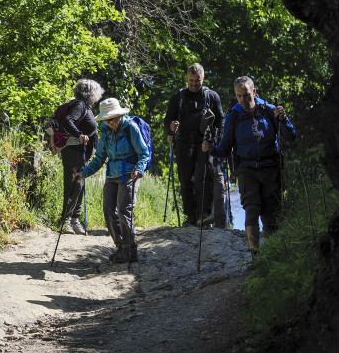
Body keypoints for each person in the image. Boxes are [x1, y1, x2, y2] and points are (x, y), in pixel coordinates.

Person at [202, 76, 296, 252]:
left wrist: (283, 119)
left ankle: (272, 254)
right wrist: (211, 149)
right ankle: (256, 255)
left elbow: (290, 137)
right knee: (251, 211)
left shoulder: (269, 111)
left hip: (270, 168)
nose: (243, 100)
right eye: (239, 96)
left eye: (246, 95)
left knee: (270, 216)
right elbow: (224, 148)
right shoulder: (234, 117)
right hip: (246, 170)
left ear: (253, 92)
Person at [72, 98, 150, 263]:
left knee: (123, 209)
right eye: (106, 120)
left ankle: (130, 250)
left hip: (130, 173)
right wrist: (83, 173)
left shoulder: (131, 128)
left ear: (119, 115)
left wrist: (139, 169)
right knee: (108, 209)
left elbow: (144, 153)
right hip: (111, 174)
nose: (109, 122)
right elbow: (99, 158)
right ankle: (121, 247)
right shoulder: (105, 131)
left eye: (112, 119)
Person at [163, 63, 225, 226]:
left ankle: (205, 214)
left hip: (205, 141)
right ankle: (191, 216)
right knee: (186, 180)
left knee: (205, 177)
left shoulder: (212, 96)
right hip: (184, 142)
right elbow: (167, 119)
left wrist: (220, 134)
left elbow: (221, 119)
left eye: (197, 80)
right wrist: (171, 127)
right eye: (191, 80)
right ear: (187, 79)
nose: (194, 84)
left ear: (202, 79)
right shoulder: (178, 97)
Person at [60, 79, 104, 235]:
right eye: (97, 91)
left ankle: (75, 220)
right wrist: (79, 135)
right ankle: (65, 221)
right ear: (91, 93)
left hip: (81, 152)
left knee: (80, 183)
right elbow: (68, 121)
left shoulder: (86, 107)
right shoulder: (79, 105)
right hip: (74, 151)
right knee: (74, 183)